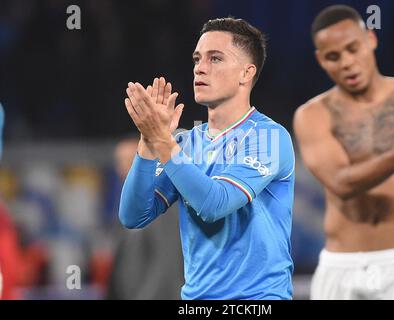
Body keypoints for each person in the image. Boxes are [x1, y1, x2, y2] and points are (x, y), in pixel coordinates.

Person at [119, 17, 295, 300]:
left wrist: (163, 141)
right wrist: (148, 143)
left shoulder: (269, 137)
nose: (200, 68)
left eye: (215, 59)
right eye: (197, 59)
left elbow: (216, 204)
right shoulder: (185, 143)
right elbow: (133, 215)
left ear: (246, 73)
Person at [293, 5, 394, 300]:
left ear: (371, 40)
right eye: (333, 56)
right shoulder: (313, 115)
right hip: (342, 266)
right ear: (320, 60)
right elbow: (342, 183)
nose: (347, 63)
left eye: (353, 49)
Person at [106, 137, 183, 299]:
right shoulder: (128, 207)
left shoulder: (160, 204)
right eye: (119, 161)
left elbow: (166, 263)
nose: (122, 168)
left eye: (129, 161)